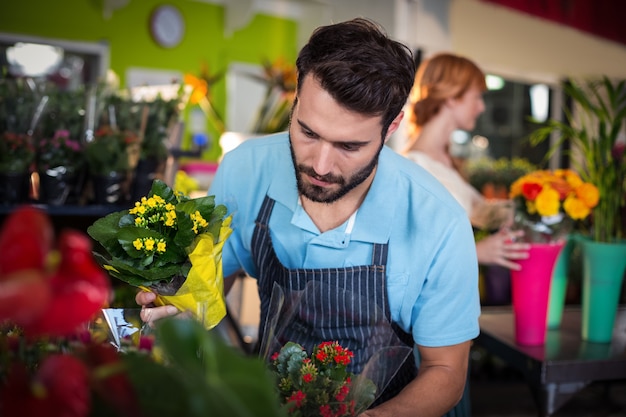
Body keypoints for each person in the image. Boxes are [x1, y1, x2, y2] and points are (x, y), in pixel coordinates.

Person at [137, 18, 480, 417]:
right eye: (308, 132)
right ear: (296, 98)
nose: (320, 164)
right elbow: (210, 286)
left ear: (392, 128)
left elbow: (446, 371)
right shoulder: (245, 170)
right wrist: (178, 306)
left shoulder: (439, 221)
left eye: (349, 146)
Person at [403, 52, 530, 271]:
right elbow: (411, 251)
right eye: (477, 97)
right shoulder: (414, 166)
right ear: (452, 97)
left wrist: (537, 202)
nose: (481, 107)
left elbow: (481, 212)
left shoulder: (445, 160)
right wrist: (477, 252)